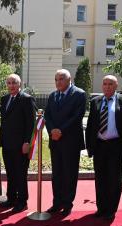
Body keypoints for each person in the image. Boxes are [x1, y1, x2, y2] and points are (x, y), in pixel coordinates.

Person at [85, 75, 122, 221]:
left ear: (116, 86)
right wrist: (89, 146)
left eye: (110, 84)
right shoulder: (95, 101)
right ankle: (101, 208)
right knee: (100, 178)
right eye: (105, 84)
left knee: (115, 179)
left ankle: (111, 210)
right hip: (100, 146)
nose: (107, 87)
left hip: (117, 146)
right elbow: (90, 126)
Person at [44, 69, 86, 217]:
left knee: (69, 173)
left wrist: (60, 130)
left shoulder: (79, 94)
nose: (58, 82)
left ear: (69, 80)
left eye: (61, 79)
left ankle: (67, 204)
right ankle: (57, 203)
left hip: (70, 141)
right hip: (55, 141)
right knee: (57, 174)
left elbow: (77, 116)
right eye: (56, 79)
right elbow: (47, 115)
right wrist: (52, 130)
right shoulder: (53, 95)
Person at [0, 74, 35, 213]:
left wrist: (27, 142)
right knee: (10, 174)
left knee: (20, 174)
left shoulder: (26, 99)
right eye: (8, 83)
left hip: (21, 145)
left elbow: (31, 123)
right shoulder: (4, 99)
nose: (11, 85)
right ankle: (11, 198)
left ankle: (22, 201)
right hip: (7, 144)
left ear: (20, 84)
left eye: (14, 82)